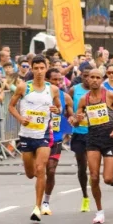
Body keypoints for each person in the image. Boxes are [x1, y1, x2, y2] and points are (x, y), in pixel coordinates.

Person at [8, 55, 62, 222]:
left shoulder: (52, 89)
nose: (39, 71)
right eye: (36, 68)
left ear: (46, 69)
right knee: (30, 173)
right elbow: (10, 106)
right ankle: (38, 203)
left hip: (43, 135)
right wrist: (20, 118)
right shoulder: (23, 87)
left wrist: (56, 109)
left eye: (42, 68)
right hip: (26, 135)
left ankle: (37, 207)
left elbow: (59, 107)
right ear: (31, 69)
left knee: (41, 169)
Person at [74, 68, 113, 224]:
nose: (95, 80)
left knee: (107, 178)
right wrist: (76, 119)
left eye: (98, 77)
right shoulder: (84, 99)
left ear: (102, 79)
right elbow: (78, 119)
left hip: (109, 140)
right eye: (92, 77)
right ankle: (99, 211)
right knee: (94, 176)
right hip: (92, 140)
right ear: (88, 79)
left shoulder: (109, 96)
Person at [41, 68, 74, 216]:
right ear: (47, 80)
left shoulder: (65, 97)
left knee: (51, 170)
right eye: (54, 80)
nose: (57, 83)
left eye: (59, 80)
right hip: (39, 136)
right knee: (39, 170)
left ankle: (46, 201)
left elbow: (70, 115)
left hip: (56, 137)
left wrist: (75, 118)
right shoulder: (39, 95)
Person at [69, 65, 93, 212]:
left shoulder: (100, 91)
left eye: (90, 75)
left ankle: (94, 184)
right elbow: (68, 105)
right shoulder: (74, 89)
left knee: (93, 166)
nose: (87, 78)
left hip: (94, 132)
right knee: (82, 166)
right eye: (84, 75)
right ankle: (85, 196)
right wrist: (73, 116)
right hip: (79, 131)